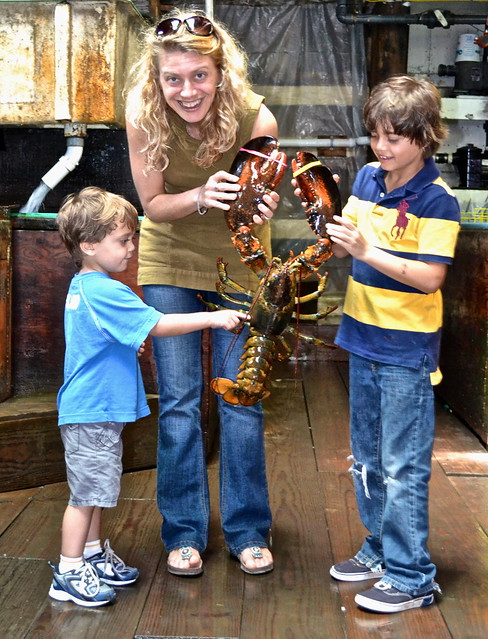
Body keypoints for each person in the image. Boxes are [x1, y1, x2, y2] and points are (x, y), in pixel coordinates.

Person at [124, 9, 280, 576]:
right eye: (173, 78)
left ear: (221, 73)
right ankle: (184, 530)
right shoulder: (143, 116)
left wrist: (259, 205)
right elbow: (155, 206)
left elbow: (257, 202)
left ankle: (247, 529)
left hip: (241, 263)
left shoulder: (256, 117)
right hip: (168, 258)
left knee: (241, 398)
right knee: (182, 403)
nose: (186, 91)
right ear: (156, 78)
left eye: (199, 76)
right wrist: (200, 196)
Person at [49, 186, 247, 607]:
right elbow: (158, 324)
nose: (131, 247)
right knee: (85, 497)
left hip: (94, 410)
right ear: (88, 245)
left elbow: (103, 338)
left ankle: (91, 554)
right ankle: (67, 571)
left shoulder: (86, 286)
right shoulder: (107, 290)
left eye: (133, 237)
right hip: (92, 411)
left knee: (98, 490)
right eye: (122, 240)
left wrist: (125, 344)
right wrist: (214, 317)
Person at [324, 75, 460, 613]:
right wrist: (330, 233)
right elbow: (345, 253)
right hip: (361, 337)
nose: (381, 148)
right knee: (368, 458)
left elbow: (429, 278)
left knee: (404, 464)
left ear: (426, 137)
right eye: (375, 135)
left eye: (394, 138)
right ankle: (381, 549)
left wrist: (366, 247)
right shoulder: (364, 178)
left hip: (408, 352)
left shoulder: (438, 200)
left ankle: (412, 577)